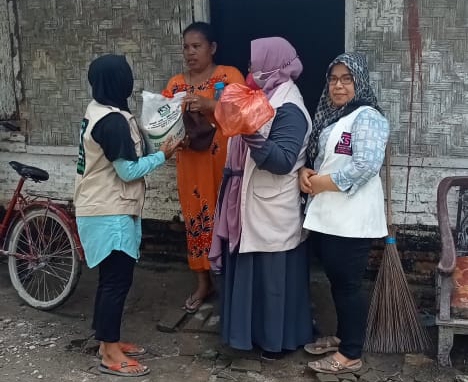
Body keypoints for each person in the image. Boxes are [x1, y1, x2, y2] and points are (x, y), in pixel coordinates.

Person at [209, 37, 313, 360]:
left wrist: (249, 131)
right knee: (251, 274)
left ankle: (276, 341)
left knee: (272, 280)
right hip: (250, 201)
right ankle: (248, 336)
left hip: (273, 206)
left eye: (256, 64)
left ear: (274, 66)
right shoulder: (263, 95)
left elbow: (282, 161)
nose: (251, 69)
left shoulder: (290, 107)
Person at [74, 54, 178, 377]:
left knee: (111, 280)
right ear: (121, 82)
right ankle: (109, 352)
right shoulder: (112, 121)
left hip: (103, 207)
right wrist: (164, 155)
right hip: (109, 211)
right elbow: (128, 171)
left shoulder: (99, 111)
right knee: (116, 281)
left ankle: (107, 340)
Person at [299, 52, 389, 374]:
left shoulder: (368, 117)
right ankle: (342, 337)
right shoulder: (333, 117)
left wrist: (321, 183)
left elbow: (365, 165)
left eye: (346, 79)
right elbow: (327, 160)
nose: (338, 86)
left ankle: (351, 353)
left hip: (352, 217)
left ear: (359, 82)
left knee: (348, 284)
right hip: (330, 214)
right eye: (333, 79)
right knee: (338, 281)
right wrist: (307, 174)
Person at [163, 21, 244, 313]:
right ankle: (203, 283)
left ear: (212, 48)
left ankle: (232, 283)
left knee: (228, 219)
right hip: (191, 167)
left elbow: (245, 114)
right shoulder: (175, 85)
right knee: (196, 220)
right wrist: (173, 140)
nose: (190, 52)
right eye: (186, 47)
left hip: (224, 165)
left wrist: (209, 105)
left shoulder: (229, 76)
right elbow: (162, 127)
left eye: (196, 46)